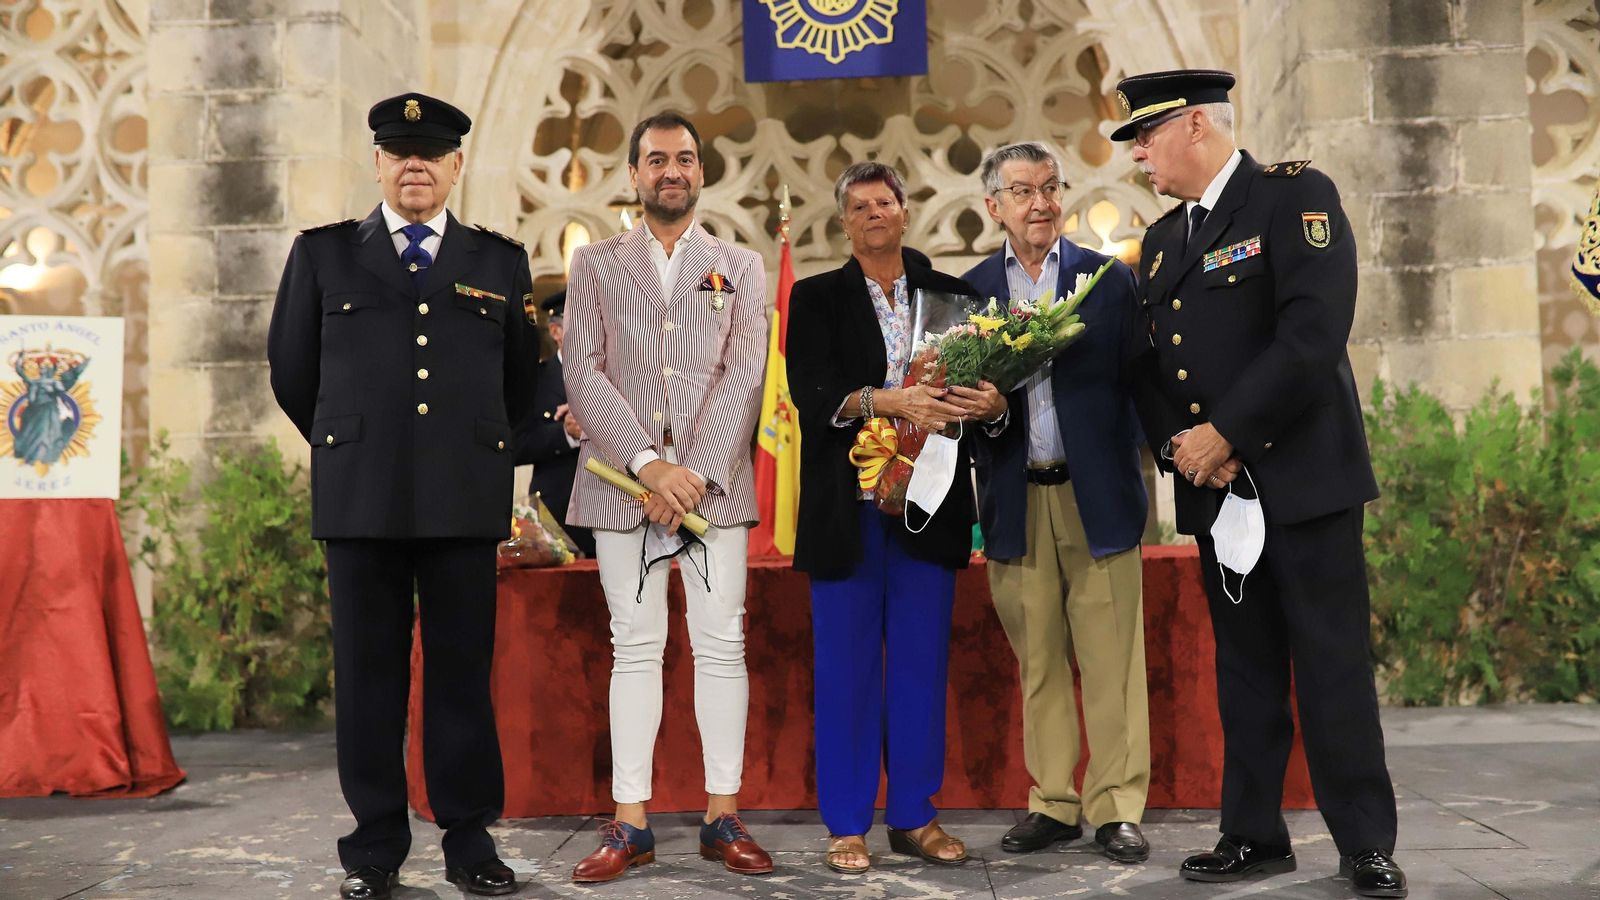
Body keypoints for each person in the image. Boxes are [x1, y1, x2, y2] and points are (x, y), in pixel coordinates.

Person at [1114, 69, 1406, 898]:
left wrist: (1229, 433)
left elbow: (1313, 331)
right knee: (1244, 670)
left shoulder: (1293, 197)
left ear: (1197, 125)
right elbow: (1148, 364)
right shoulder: (1166, 238)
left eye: (1146, 134)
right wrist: (1184, 445)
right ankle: (1252, 833)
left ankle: (1364, 845)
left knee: (1331, 665)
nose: (1138, 151)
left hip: (1305, 479)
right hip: (1217, 489)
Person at [267, 93, 536, 899]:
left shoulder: (499, 261)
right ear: (379, 163)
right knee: (369, 678)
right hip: (361, 498)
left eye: (431, 153)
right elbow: (293, 372)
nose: (414, 164)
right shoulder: (323, 256)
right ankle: (376, 849)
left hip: (461, 495)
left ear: (457, 166)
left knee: (460, 677)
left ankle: (470, 843)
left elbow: (521, 381)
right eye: (398, 151)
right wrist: (355, 441)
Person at [561, 111, 772, 883]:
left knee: (722, 646)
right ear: (634, 173)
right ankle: (631, 824)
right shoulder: (595, 264)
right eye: (657, 159)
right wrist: (651, 466)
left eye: (684, 158)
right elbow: (583, 370)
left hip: (713, 490)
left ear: (702, 173)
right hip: (623, 485)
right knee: (634, 647)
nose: (671, 170)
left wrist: (692, 475)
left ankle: (723, 815)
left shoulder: (740, 266)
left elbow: (743, 377)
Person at [787, 161, 1004, 874]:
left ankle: (914, 815)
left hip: (929, 508)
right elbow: (809, 389)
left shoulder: (956, 296)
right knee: (845, 672)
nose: (873, 212)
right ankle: (847, 823)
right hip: (844, 515)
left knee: (918, 666)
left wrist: (988, 405)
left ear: (906, 211)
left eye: (885, 200)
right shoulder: (815, 298)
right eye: (858, 205)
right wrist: (888, 402)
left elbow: (979, 395)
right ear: (844, 221)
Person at [962, 141, 1156, 863]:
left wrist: (1122, 464)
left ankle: (1116, 808)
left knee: (1111, 663)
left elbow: (1141, 385)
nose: (1040, 203)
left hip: (1096, 495)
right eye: (1022, 191)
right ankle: (1053, 802)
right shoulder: (974, 291)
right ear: (995, 207)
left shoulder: (1107, 282)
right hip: (1015, 497)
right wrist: (983, 411)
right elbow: (957, 406)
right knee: (1038, 659)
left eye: (1050, 188)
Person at [512, 290, 595, 558]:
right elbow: (516, 444)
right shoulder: (535, 381)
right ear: (556, 331)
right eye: (581, 323)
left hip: (620, 510)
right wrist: (567, 433)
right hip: (557, 520)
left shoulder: (623, 378)